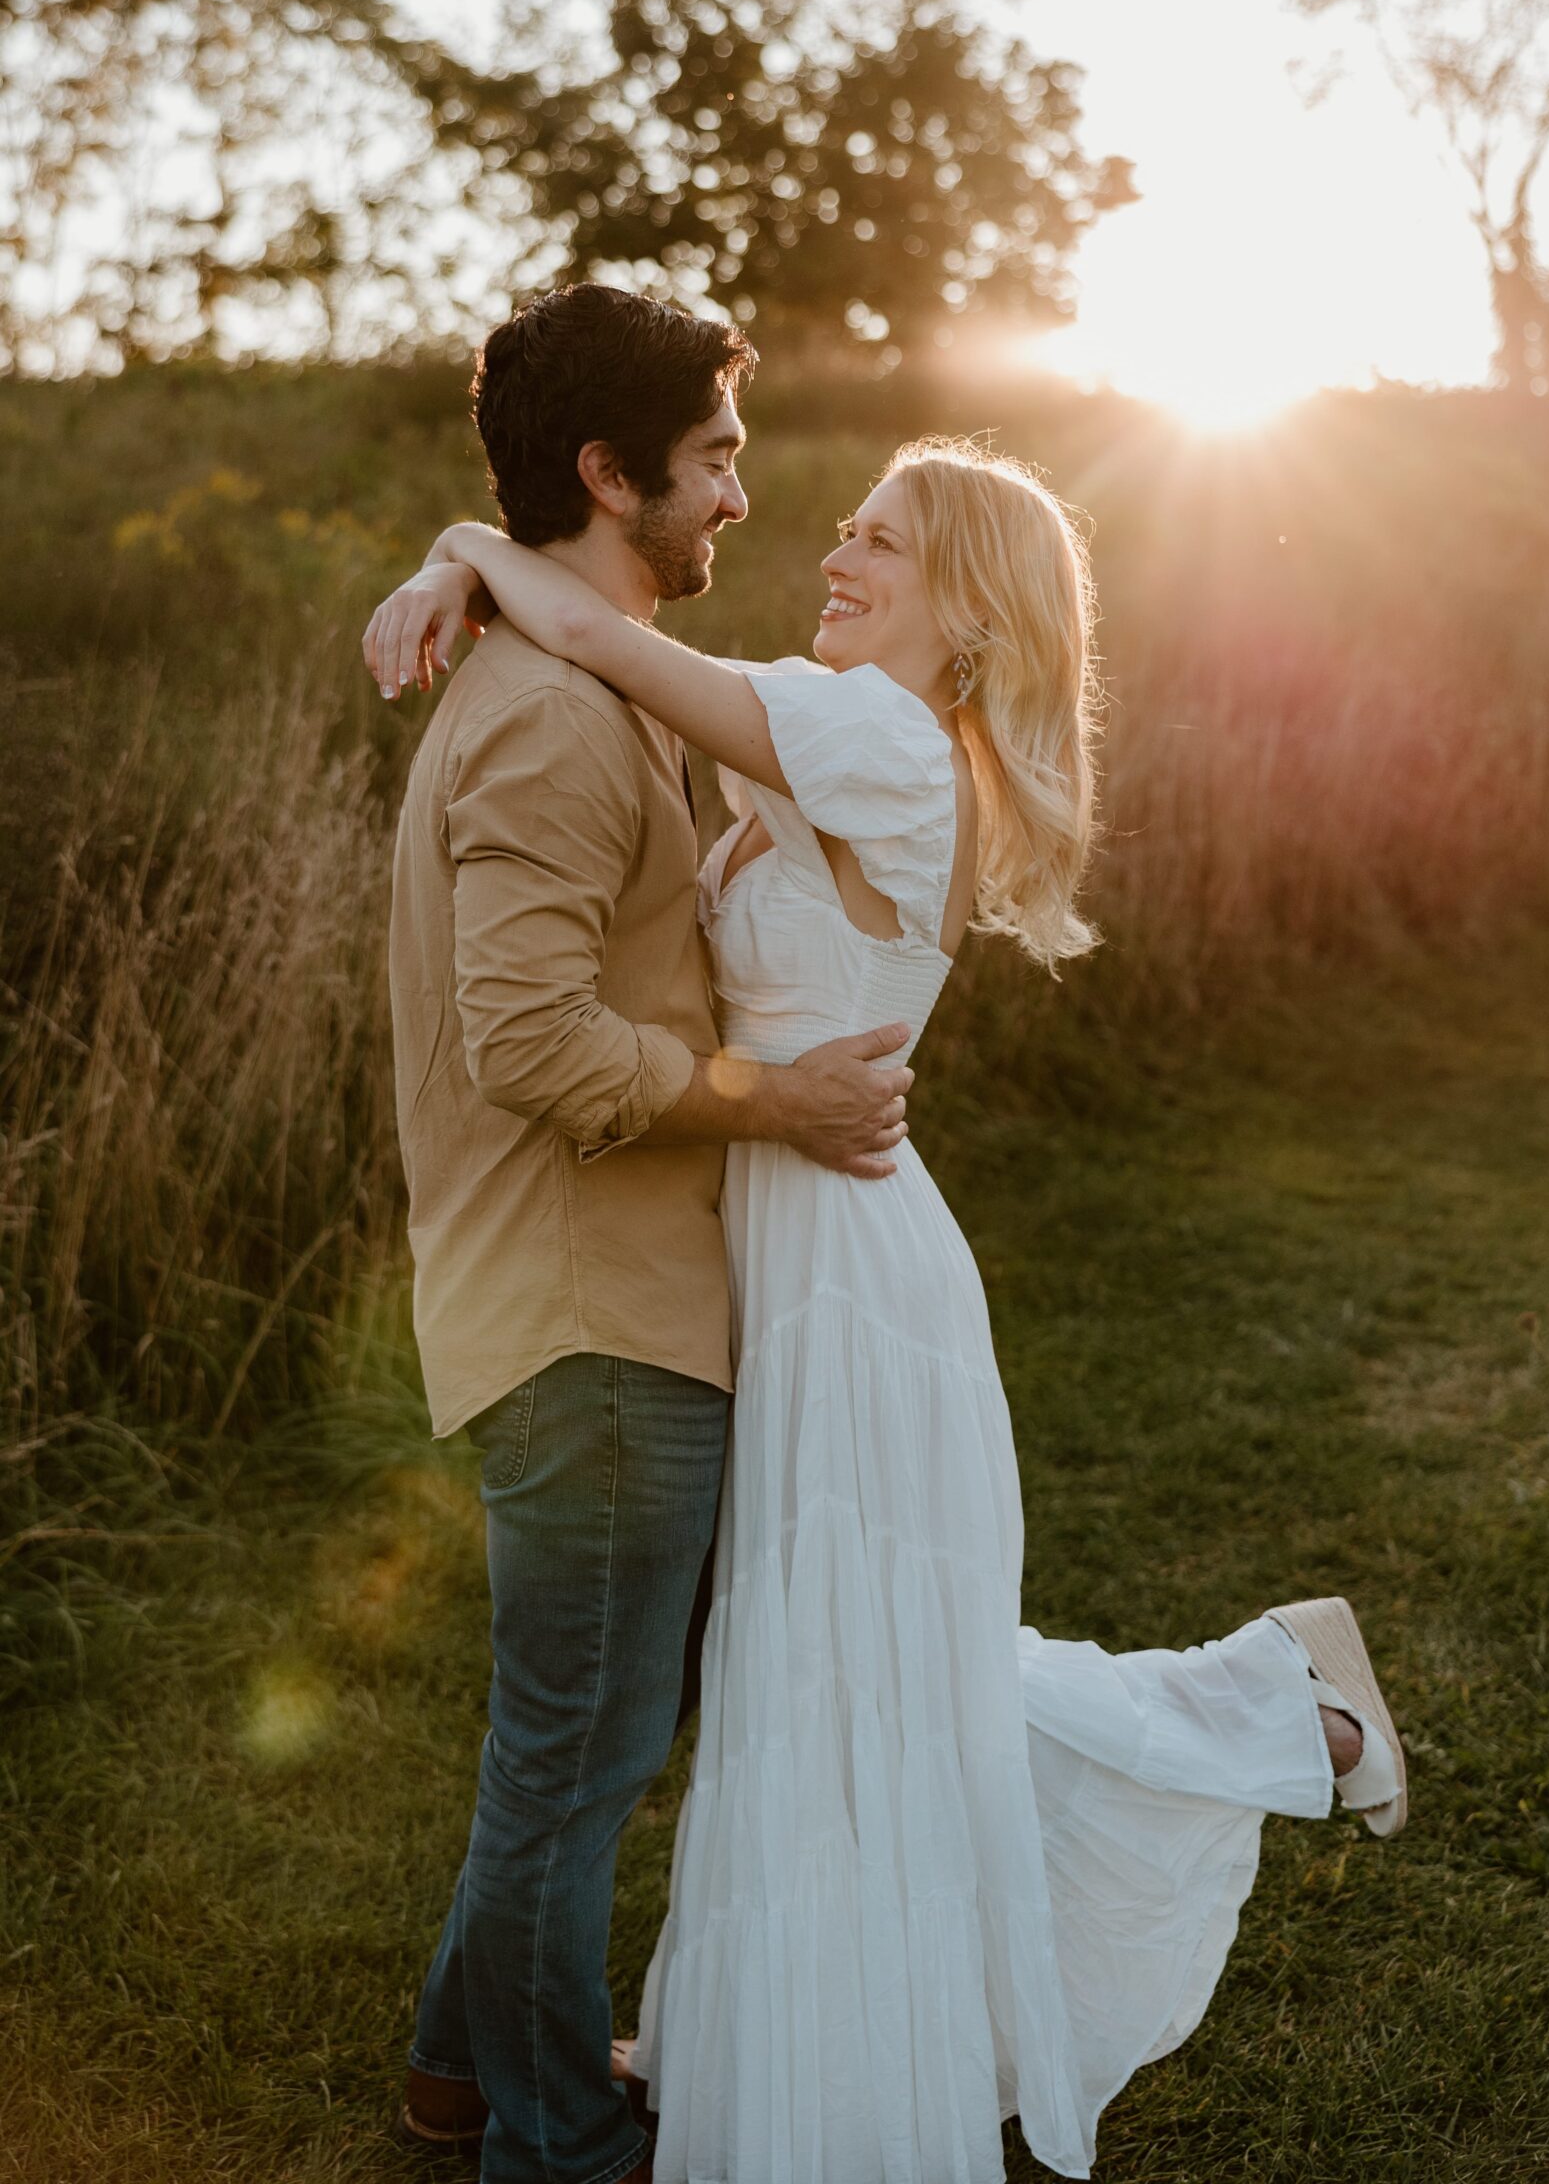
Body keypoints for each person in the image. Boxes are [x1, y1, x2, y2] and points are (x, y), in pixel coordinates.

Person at [366, 404, 1409, 2183]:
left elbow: (610, 638)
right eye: (840, 532)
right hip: (783, 1234)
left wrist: (461, 552)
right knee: (837, 1667)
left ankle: (1269, 1705)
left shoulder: (877, 739)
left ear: (974, 618)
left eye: (881, 544)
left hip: (842, 1264)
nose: (833, 557)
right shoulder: (844, 742)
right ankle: (604, 2047)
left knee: (849, 1668)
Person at [376, 284, 920, 2183]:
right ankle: (561, 2144)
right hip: (588, 1325)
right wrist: (774, 1098)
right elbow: (520, 1036)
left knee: (568, 1745)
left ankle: (464, 2074)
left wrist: (465, 555)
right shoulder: (547, 720)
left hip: (620, 1308)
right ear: (612, 477)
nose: (743, 503)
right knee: (577, 1767)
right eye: (716, 463)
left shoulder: (580, 680)